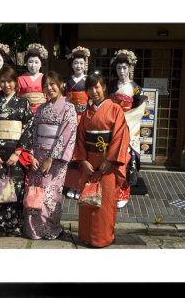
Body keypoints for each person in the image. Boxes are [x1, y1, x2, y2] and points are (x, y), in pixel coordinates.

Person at [74, 73, 130, 248]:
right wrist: (83, 161)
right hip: (90, 163)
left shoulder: (115, 109)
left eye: (97, 87)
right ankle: (86, 236)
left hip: (108, 165)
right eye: (90, 88)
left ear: (104, 87)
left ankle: (103, 238)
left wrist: (110, 160)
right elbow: (81, 138)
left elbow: (121, 136)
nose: (94, 91)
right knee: (88, 201)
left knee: (104, 203)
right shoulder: (86, 113)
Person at [24, 71, 77, 240]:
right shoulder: (41, 108)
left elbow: (66, 135)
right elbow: (34, 134)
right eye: (45, 86)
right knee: (35, 192)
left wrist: (50, 158)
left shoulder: (69, 107)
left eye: (52, 84)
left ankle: (50, 229)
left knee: (49, 195)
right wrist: (31, 155)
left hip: (55, 159)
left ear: (61, 84)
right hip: (38, 155)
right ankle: (33, 230)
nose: (49, 88)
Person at [0, 65, 34, 236]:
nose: (6, 85)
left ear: (15, 81)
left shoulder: (23, 103)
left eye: (10, 81)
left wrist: (18, 152)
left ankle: (13, 227)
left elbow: (28, 128)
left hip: (15, 154)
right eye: (2, 81)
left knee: (15, 191)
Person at [108, 49, 146, 209]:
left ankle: (124, 193)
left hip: (127, 127)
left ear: (130, 68)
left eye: (124, 68)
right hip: (111, 125)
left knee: (126, 162)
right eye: (119, 68)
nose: (122, 71)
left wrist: (121, 122)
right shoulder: (111, 86)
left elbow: (140, 108)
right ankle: (110, 191)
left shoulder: (136, 88)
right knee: (110, 161)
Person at [62, 46, 90, 200]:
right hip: (70, 118)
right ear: (71, 65)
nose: (79, 66)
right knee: (71, 152)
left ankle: (82, 185)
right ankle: (72, 184)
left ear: (85, 64)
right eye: (76, 63)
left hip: (85, 118)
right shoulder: (67, 82)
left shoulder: (89, 81)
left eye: (81, 63)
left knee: (83, 152)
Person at [18, 43, 49, 115]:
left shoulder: (46, 78)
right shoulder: (20, 79)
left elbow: (49, 97)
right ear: (26, 63)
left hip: (42, 113)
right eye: (30, 62)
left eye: (36, 62)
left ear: (41, 64)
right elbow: (17, 98)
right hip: (25, 113)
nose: (33, 65)